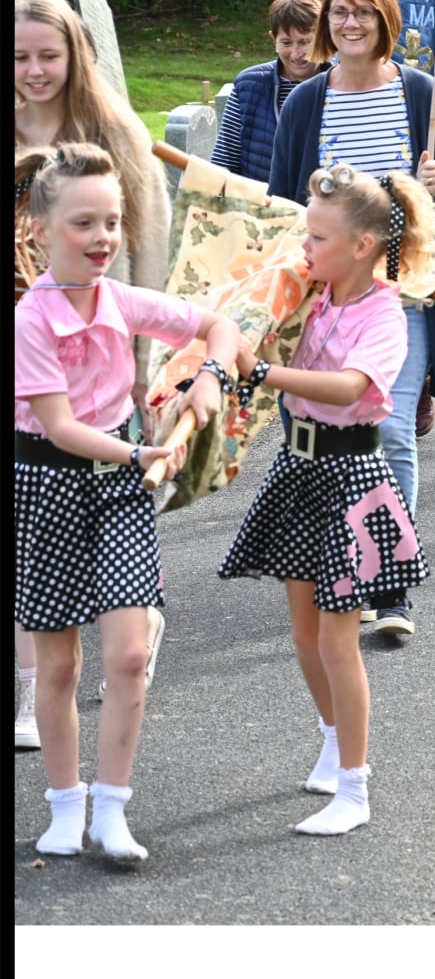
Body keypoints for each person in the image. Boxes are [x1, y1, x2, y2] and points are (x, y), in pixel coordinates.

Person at [15, 142, 240, 859]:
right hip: (49, 481)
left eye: (112, 221)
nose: (103, 238)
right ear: (40, 230)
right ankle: (64, 805)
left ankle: (112, 809)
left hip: (118, 487)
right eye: (83, 223)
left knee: (130, 652)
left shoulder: (122, 298)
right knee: (57, 666)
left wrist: (211, 379)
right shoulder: (31, 319)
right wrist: (143, 453)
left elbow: (219, 325)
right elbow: (60, 426)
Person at [221, 165, 435, 835]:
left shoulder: (386, 315)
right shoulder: (310, 294)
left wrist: (258, 372)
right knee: (306, 634)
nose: (304, 247)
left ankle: (355, 788)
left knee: (341, 640)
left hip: (350, 477)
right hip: (298, 468)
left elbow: (346, 387)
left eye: (317, 237)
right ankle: (332, 739)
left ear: (364, 245)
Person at [268, 0, 435, 639]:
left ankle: (390, 585)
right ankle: (342, 563)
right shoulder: (306, 103)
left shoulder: (422, 94)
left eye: (362, 12)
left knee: (387, 431)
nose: (349, 23)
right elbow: (282, 203)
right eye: (339, 13)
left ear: (387, 20)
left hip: (400, 290)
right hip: (326, 298)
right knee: (332, 436)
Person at [15, 0, 173, 750]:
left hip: (100, 351)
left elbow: (147, 239)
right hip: (25, 340)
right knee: (29, 518)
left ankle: (131, 616)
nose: (35, 70)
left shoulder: (108, 127)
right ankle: (38, 679)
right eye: (20, 57)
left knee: (98, 496)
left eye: (49, 55)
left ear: (75, 53)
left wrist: (149, 364)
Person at [212, 0, 328, 183]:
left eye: (305, 42)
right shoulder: (249, 86)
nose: (296, 53)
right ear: (273, 39)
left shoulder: (340, 86)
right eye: (286, 42)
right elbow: (223, 162)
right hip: (257, 209)